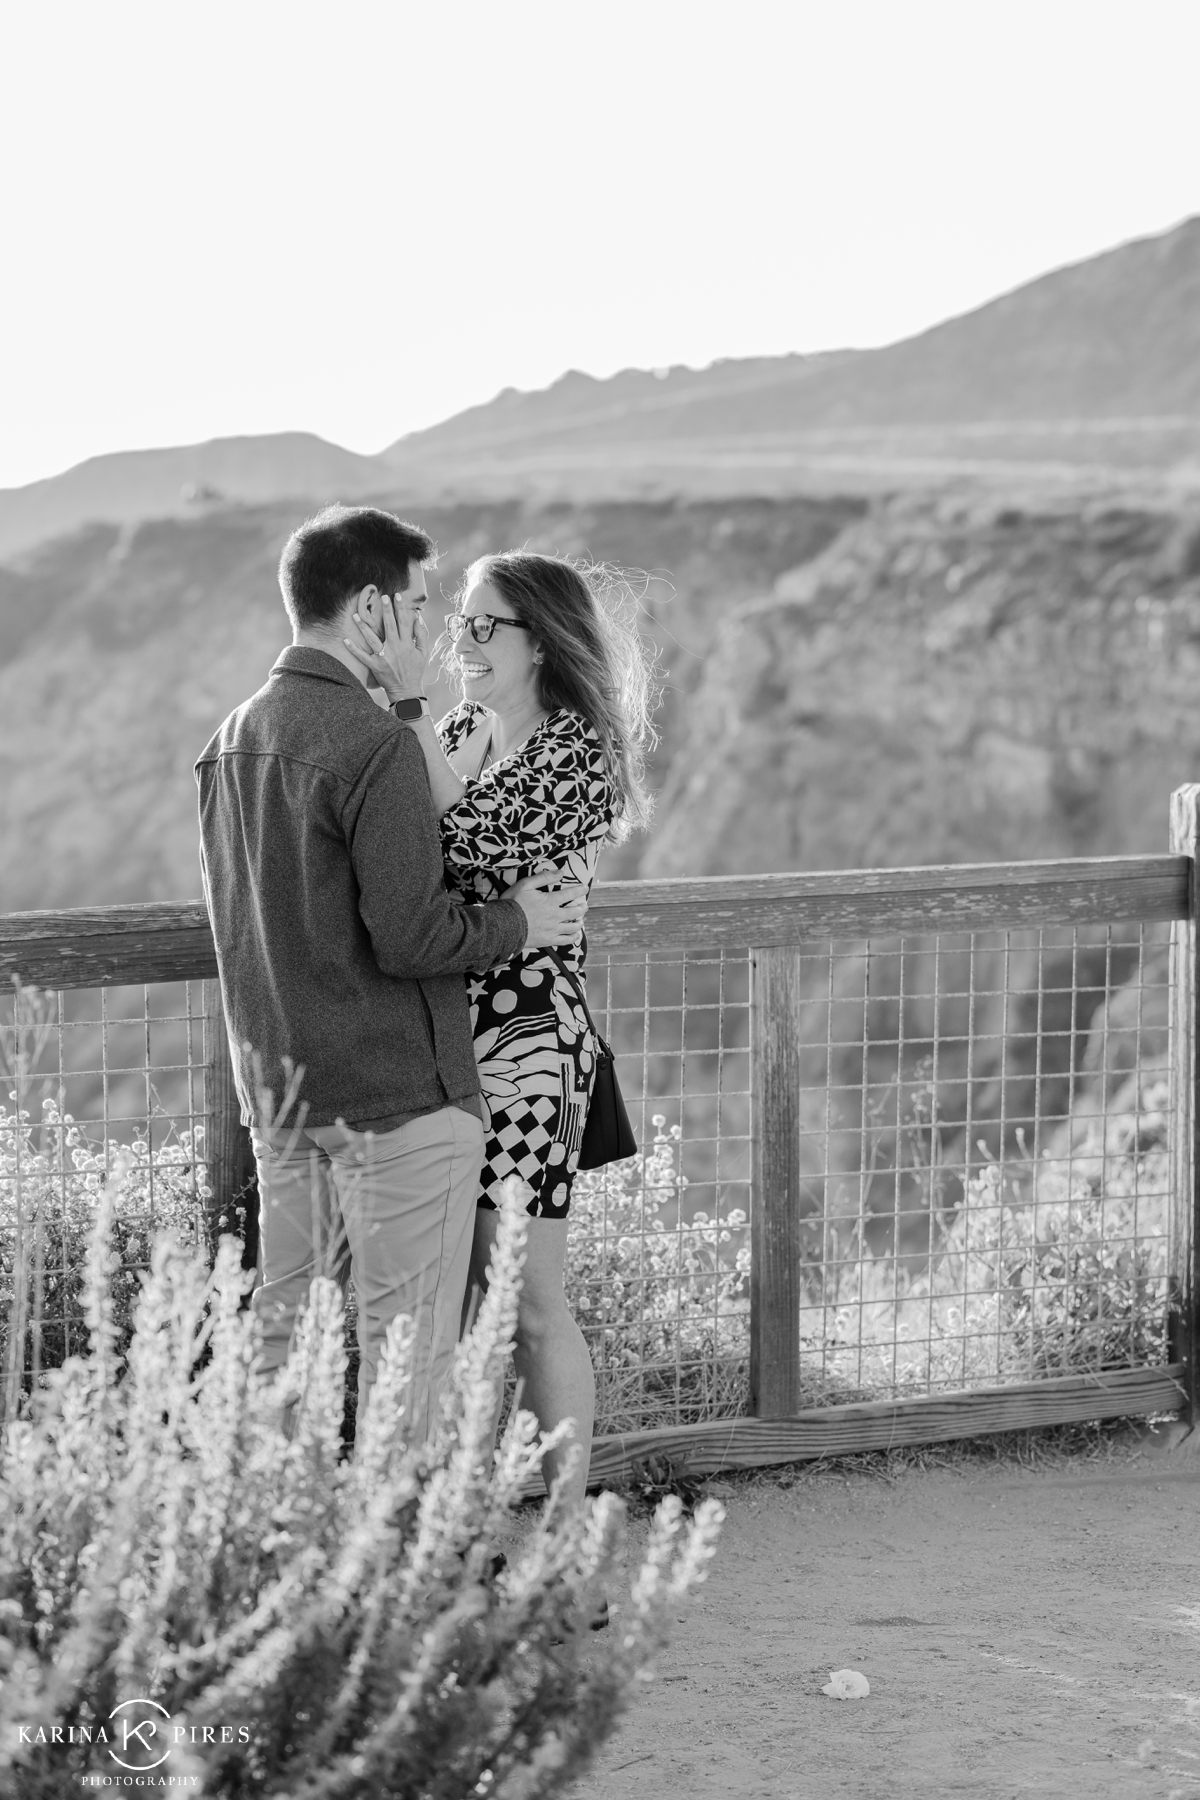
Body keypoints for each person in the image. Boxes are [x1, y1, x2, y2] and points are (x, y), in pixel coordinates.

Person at [194, 506, 587, 1441]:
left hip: (283, 1098)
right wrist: (519, 919)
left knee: (286, 1337)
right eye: (418, 606)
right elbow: (411, 936)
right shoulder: (379, 742)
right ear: (369, 607)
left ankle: (269, 1559)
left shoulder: (230, 741)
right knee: (408, 1362)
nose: (429, 632)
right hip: (398, 1101)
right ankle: (402, 1573)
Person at [345, 550, 657, 1503]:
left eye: (486, 626)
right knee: (456, 1298)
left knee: (525, 1297)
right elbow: (416, 861)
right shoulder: (463, 728)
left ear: (542, 640)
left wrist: (404, 720)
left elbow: (462, 844)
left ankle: (561, 1540)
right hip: (438, 1030)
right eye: (460, 625)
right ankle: (465, 1516)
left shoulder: (576, 751)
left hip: (527, 1047)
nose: (462, 643)